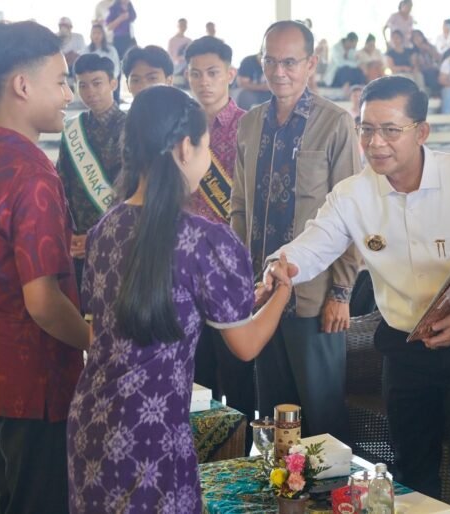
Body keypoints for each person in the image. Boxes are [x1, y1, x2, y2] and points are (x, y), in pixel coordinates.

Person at [262, 75, 450, 514]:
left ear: (421, 131)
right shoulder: (353, 194)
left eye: (390, 130)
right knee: (410, 470)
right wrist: (282, 264)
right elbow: (314, 245)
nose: (375, 143)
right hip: (404, 349)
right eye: (366, 129)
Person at [66, 85, 295, 514]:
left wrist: (250, 298)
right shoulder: (206, 239)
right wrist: (281, 292)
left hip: (92, 421)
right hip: (152, 436)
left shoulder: (104, 230)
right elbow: (245, 345)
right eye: (205, 146)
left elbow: (111, 327)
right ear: (186, 148)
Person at [0, 20, 88, 513]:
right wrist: (93, 340)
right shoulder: (33, 172)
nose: (68, 95)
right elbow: (42, 301)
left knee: (9, 494)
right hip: (35, 375)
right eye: (60, 81)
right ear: (22, 85)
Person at [231, 20, 361, 439]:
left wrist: (341, 293)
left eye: (290, 62)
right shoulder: (250, 123)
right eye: (270, 61)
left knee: (321, 418)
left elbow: (352, 213)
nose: (279, 72)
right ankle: (281, 482)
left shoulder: (335, 123)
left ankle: (330, 484)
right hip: (262, 296)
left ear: (311, 64)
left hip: (313, 299)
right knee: (274, 416)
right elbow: (239, 208)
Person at [182, 36, 256, 453]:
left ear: (230, 74)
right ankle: (203, 458)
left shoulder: (249, 126)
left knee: (239, 368)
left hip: (232, 266)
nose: (204, 82)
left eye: (213, 73)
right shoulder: (182, 128)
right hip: (188, 267)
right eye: (196, 74)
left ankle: (241, 458)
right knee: (198, 369)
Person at [56, 53, 125, 293]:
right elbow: (62, 181)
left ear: (113, 83)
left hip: (119, 236)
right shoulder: (72, 128)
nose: (90, 91)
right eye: (82, 85)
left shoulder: (132, 126)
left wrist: (99, 235)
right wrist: (69, 233)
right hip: (77, 240)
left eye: (97, 83)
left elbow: (134, 188)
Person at [83, 23, 121, 103]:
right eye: (94, 33)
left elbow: (116, 67)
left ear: (103, 35)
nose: (96, 36)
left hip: (109, 79)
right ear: (90, 35)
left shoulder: (111, 50)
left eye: (99, 33)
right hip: (91, 80)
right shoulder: (86, 50)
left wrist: (110, 79)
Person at [411, 29, 442, 93]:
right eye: (414, 37)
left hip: (434, 69)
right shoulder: (413, 51)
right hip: (422, 71)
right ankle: (435, 92)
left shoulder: (431, 47)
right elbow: (414, 65)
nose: (417, 39)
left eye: (418, 36)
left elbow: (438, 58)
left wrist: (429, 50)